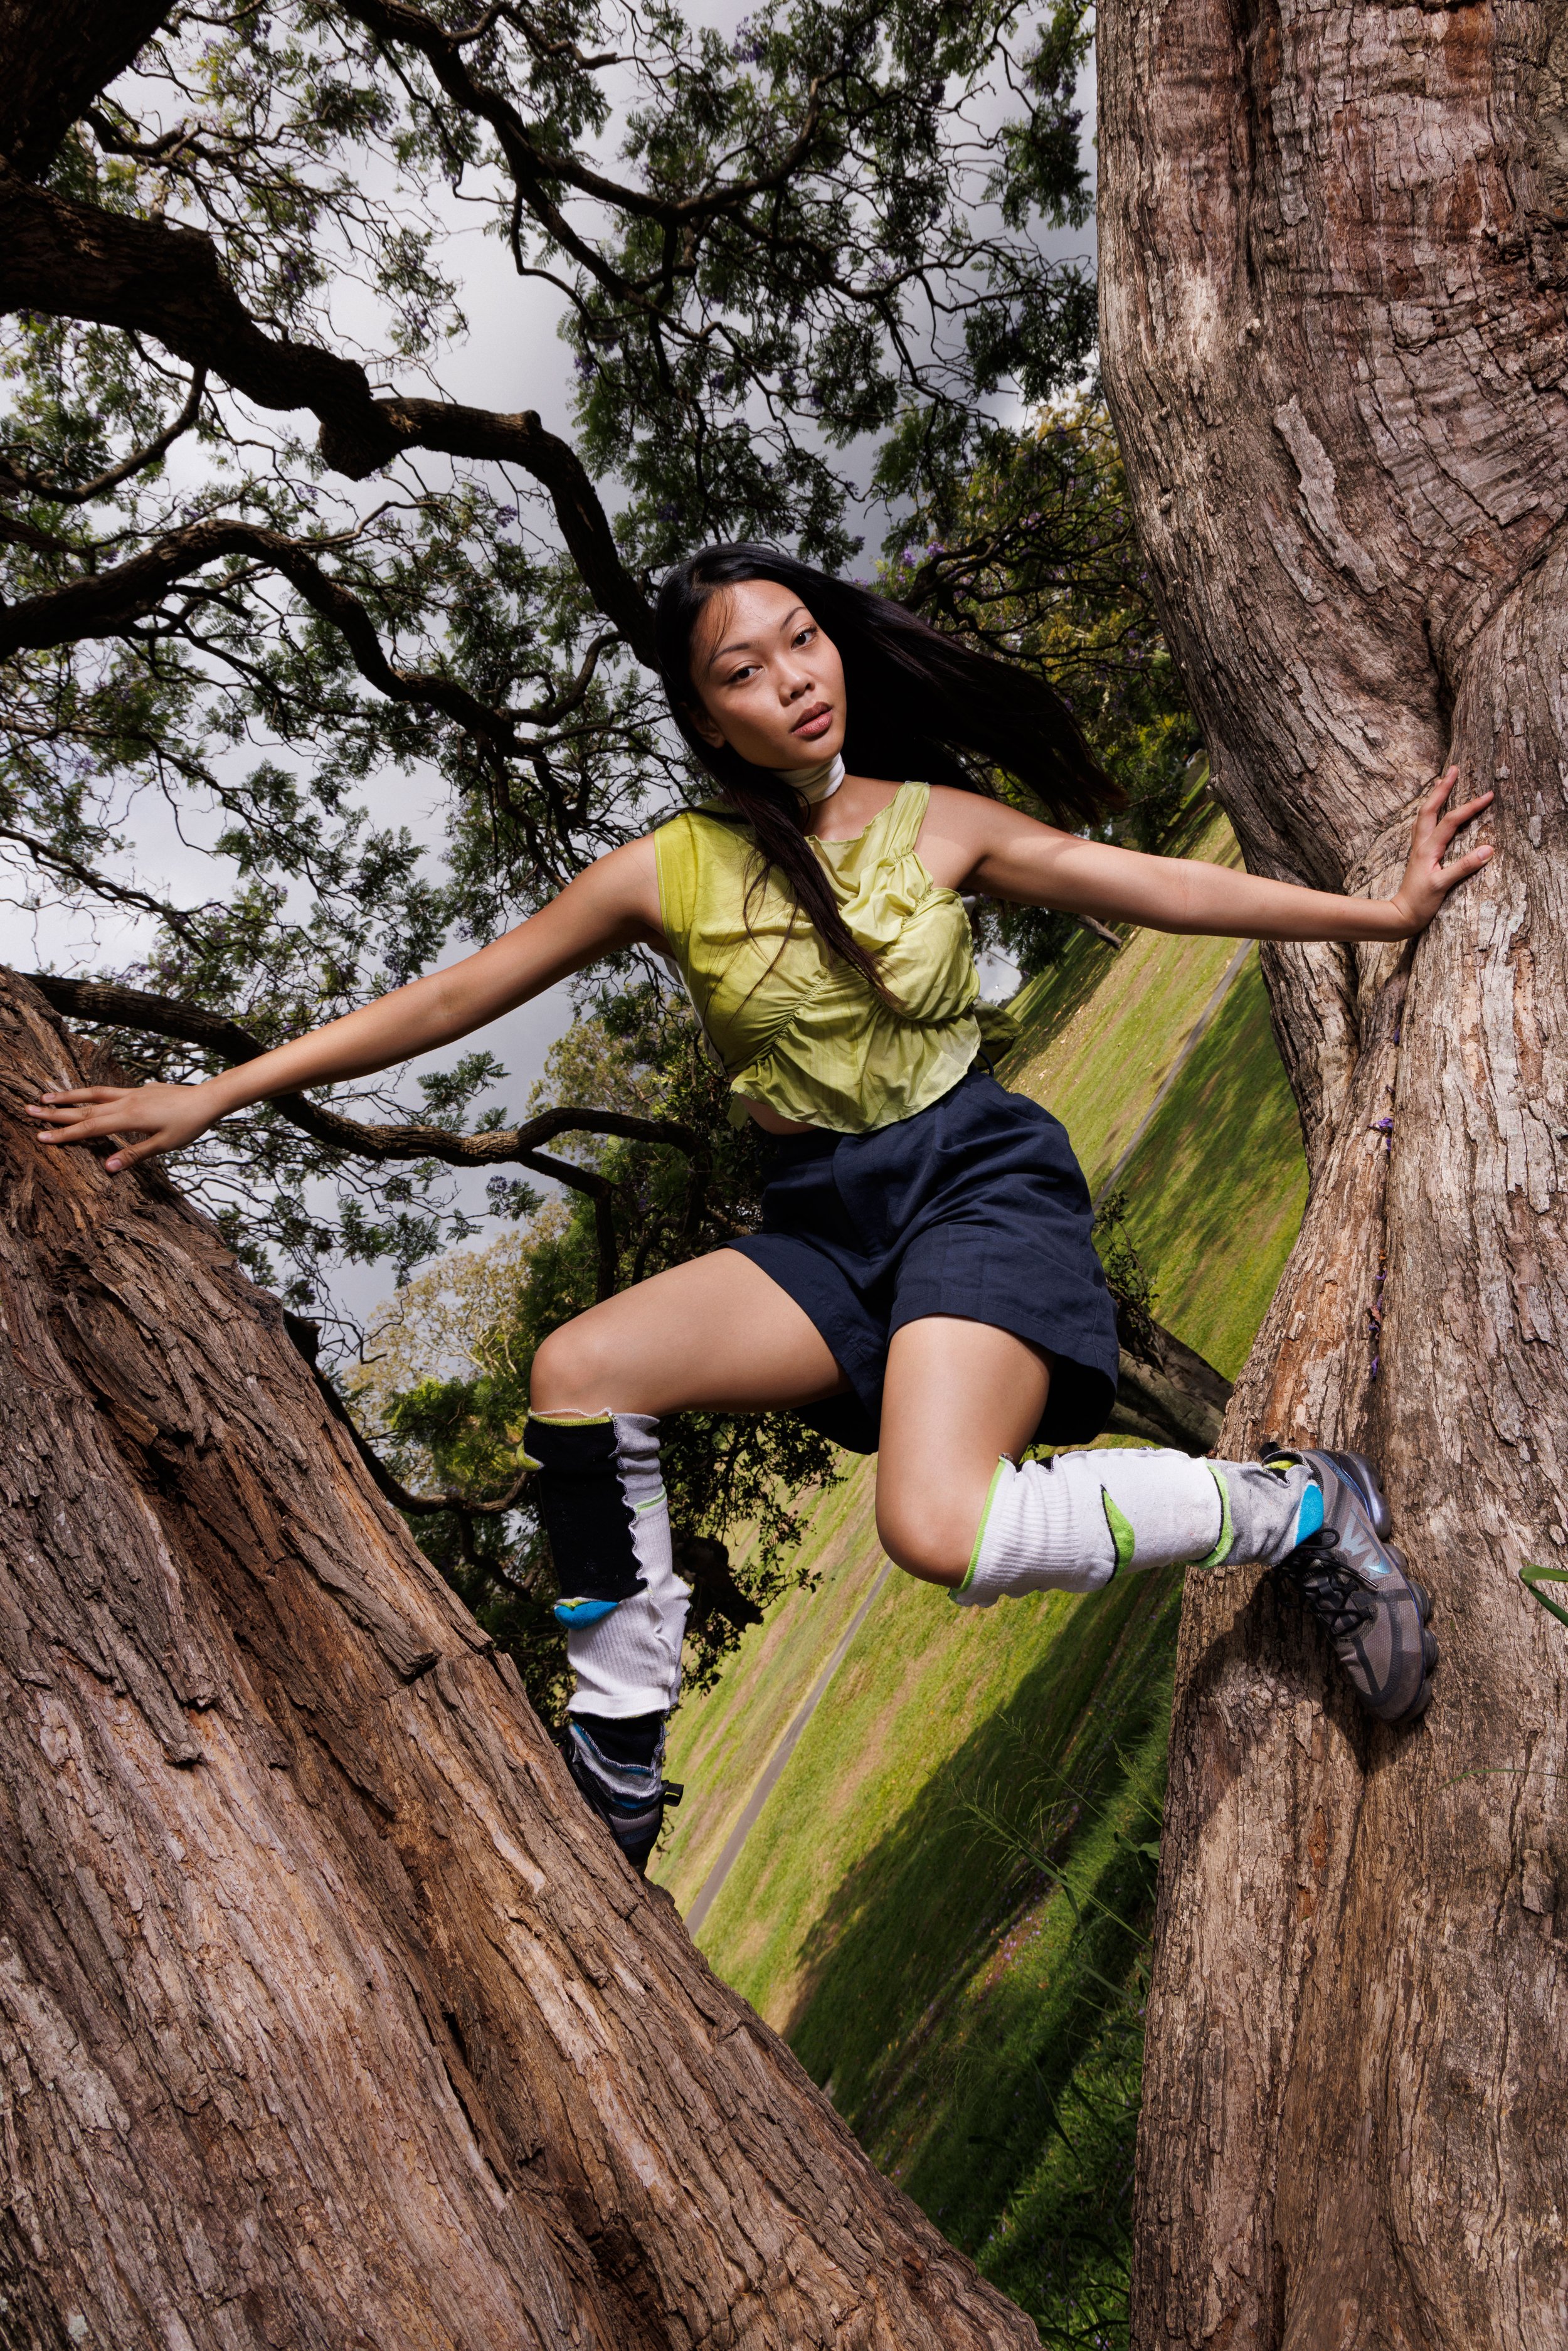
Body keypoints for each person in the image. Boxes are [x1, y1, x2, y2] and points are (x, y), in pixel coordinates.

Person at [28, 544, 1495, 1872]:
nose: (792, 679)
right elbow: (454, 995)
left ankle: (1302, 1504)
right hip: (820, 1220)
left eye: (801, 640)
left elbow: (1159, 886)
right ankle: (615, 1766)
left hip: (970, 1172)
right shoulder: (670, 872)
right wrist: (214, 1094)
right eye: (743, 668)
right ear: (701, 712)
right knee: (577, 1372)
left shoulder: (938, 823)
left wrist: (1380, 911)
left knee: (937, 1522)